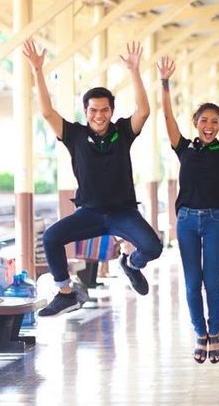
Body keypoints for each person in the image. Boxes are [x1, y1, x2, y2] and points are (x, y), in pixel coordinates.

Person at [24, 39, 163, 317]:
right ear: (86, 112)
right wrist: (38, 71)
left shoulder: (122, 132)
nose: (99, 115)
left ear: (111, 111)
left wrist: (134, 71)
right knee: (51, 238)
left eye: (104, 110)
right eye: (93, 110)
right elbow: (47, 112)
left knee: (153, 247)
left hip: (123, 213)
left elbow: (144, 111)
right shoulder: (75, 135)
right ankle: (65, 293)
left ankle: (131, 265)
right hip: (89, 213)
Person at [158, 55, 219, 364]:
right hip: (185, 221)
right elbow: (167, 117)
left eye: (214, 122)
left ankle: (216, 332)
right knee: (191, 281)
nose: (209, 126)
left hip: (215, 220)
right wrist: (165, 83)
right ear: (196, 124)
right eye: (204, 121)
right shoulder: (184, 148)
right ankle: (200, 333)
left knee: (212, 281)